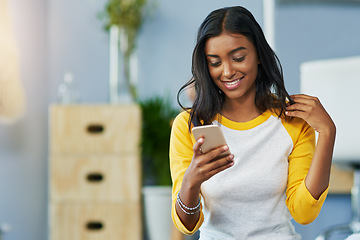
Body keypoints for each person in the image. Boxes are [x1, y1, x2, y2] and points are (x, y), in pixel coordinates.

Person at [169, 6, 336, 240]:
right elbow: (188, 225)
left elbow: (304, 213)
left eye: (238, 58)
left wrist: (328, 132)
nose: (227, 71)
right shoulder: (189, 125)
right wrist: (191, 181)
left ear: (258, 54)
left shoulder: (292, 121)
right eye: (215, 62)